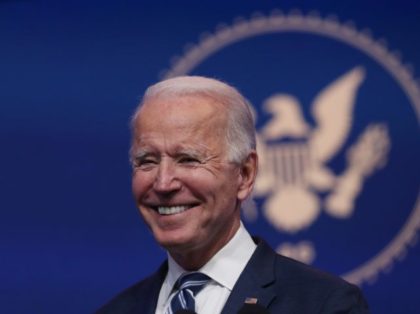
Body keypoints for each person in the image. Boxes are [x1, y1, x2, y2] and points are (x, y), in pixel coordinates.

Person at [97, 76, 369, 314]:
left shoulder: (325, 305)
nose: (164, 183)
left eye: (188, 159)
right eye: (147, 161)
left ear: (245, 175)